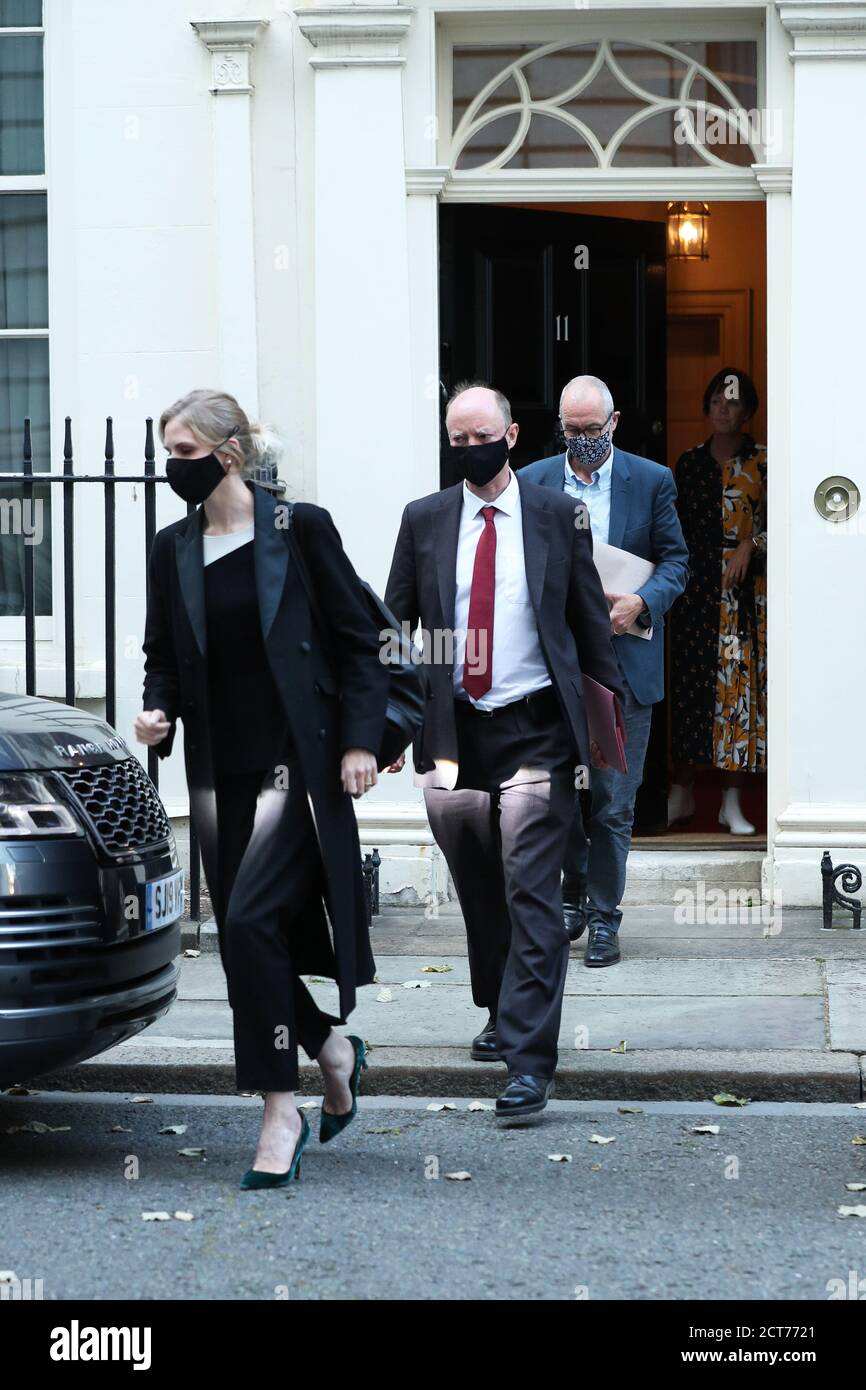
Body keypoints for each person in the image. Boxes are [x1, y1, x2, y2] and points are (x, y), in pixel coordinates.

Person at [134, 388, 390, 1187]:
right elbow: (163, 656)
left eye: (184, 453)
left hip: (294, 766)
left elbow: (364, 640)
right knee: (251, 940)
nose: (173, 468)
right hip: (220, 771)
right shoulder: (170, 548)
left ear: (230, 452)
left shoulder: (297, 529)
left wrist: (360, 740)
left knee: (245, 922)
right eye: (167, 455)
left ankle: (281, 1109)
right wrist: (156, 710)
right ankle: (331, 1048)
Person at [384, 382, 625, 1122]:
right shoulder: (424, 520)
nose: (469, 449)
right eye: (456, 440)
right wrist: (384, 728)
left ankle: (529, 1062)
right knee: (481, 890)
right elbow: (395, 630)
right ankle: (499, 1008)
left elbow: (587, 621)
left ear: (512, 435)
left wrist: (605, 731)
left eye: (479, 435)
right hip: (453, 732)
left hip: (534, 730)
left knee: (530, 890)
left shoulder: (556, 516)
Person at [522, 375, 689, 966]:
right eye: (573, 431)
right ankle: (571, 901)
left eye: (594, 430)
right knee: (555, 794)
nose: (584, 440)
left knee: (614, 801)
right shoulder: (532, 482)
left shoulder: (651, 480)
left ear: (613, 424)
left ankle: (603, 919)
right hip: (553, 668)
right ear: (560, 429)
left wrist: (641, 602)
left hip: (626, 666)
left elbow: (677, 562)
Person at [668, 368, 767, 835]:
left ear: (748, 411)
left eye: (734, 401)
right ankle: (681, 790)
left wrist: (751, 544)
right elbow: (670, 530)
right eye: (717, 401)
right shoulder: (687, 464)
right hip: (693, 595)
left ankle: (731, 799)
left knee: (736, 696)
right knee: (690, 691)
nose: (724, 408)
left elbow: (782, 521)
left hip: (741, 599)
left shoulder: (765, 462)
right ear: (707, 408)